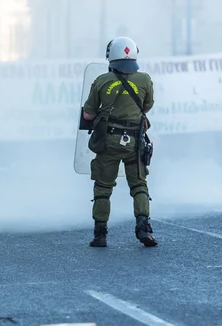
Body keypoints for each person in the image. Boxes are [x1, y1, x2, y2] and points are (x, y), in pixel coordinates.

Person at [82, 37, 157, 248]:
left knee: (103, 188)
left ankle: (100, 235)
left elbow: (88, 115)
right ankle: (144, 228)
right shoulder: (144, 79)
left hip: (108, 141)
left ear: (110, 56)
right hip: (135, 142)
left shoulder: (102, 81)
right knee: (139, 185)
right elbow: (147, 106)